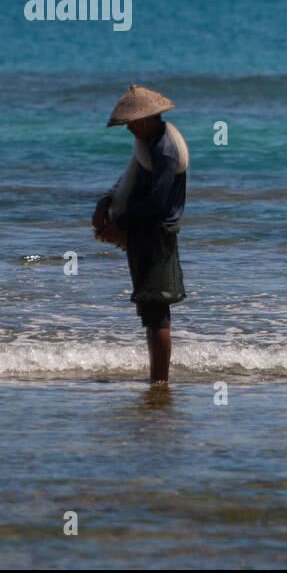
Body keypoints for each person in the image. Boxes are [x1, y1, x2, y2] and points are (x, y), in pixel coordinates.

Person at [92, 85, 189, 384]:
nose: (130, 129)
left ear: (148, 119)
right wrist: (106, 201)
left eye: (133, 122)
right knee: (150, 311)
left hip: (155, 236)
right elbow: (129, 181)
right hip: (143, 233)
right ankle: (156, 382)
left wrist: (118, 225)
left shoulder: (164, 150)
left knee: (156, 310)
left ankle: (159, 383)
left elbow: (155, 201)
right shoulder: (150, 144)